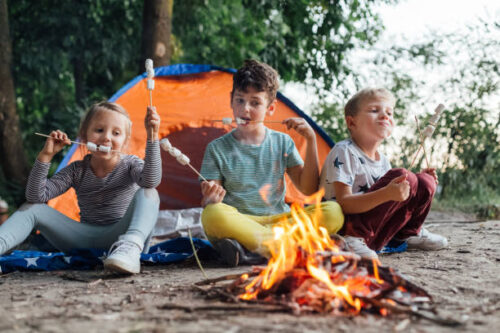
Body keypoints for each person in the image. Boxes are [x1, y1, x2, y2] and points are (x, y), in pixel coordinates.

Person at [199, 59, 343, 266]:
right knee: (212, 215)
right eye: (240, 100)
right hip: (242, 222)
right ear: (231, 101)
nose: (245, 109)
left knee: (333, 212)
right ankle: (294, 247)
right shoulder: (216, 148)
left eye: (255, 102)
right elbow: (211, 201)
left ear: (271, 108)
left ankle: (258, 249)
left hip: (280, 221)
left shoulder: (282, 142)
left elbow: (308, 189)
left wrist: (311, 140)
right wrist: (210, 198)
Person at [0, 101, 161, 274]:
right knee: (32, 208)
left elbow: (151, 180)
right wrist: (46, 156)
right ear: (84, 136)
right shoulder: (76, 170)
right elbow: (35, 196)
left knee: (149, 191)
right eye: (99, 130)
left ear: (125, 140)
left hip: (121, 236)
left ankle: (130, 248)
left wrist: (152, 136)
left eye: (116, 133)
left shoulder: (131, 164)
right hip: (83, 239)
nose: (107, 137)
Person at [319, 88, 447, 259]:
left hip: (377, 231)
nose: (385, 116)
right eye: (374, 110)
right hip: (345, 230)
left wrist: (417, 184)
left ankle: (407, 233)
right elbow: (344, 204)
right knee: (403, 175)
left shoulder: (383, 160)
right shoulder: (344, 151)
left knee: (422, 180)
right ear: (351, 122)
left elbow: (388, 204)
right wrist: (386, 193)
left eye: (389, 112)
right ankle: (352, 240)